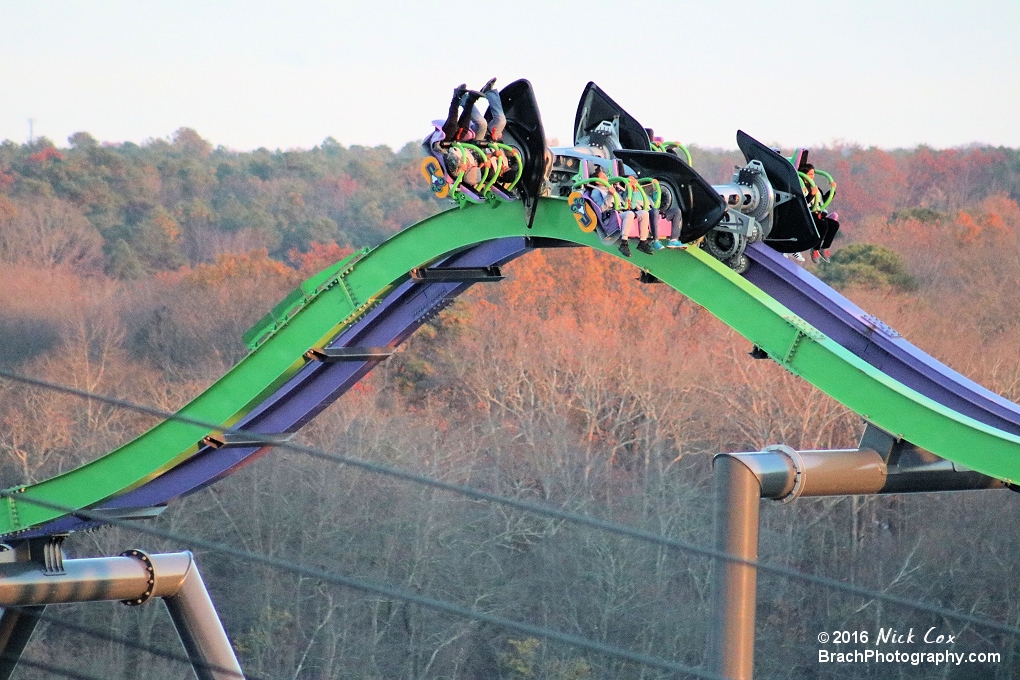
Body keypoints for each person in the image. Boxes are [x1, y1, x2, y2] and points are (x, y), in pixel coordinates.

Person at [799, 162, 840, 263]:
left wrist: (832, 191)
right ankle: (815, 249)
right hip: (809, 215)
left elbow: (823, 201)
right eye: (810, 174)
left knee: (834, 224)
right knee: (823, 225)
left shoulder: (816, 188)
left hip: (819, 213)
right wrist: (811, 195)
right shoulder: (802, 188)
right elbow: (802, 203)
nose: (812, 176)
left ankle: (824, 247)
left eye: (813, 174)